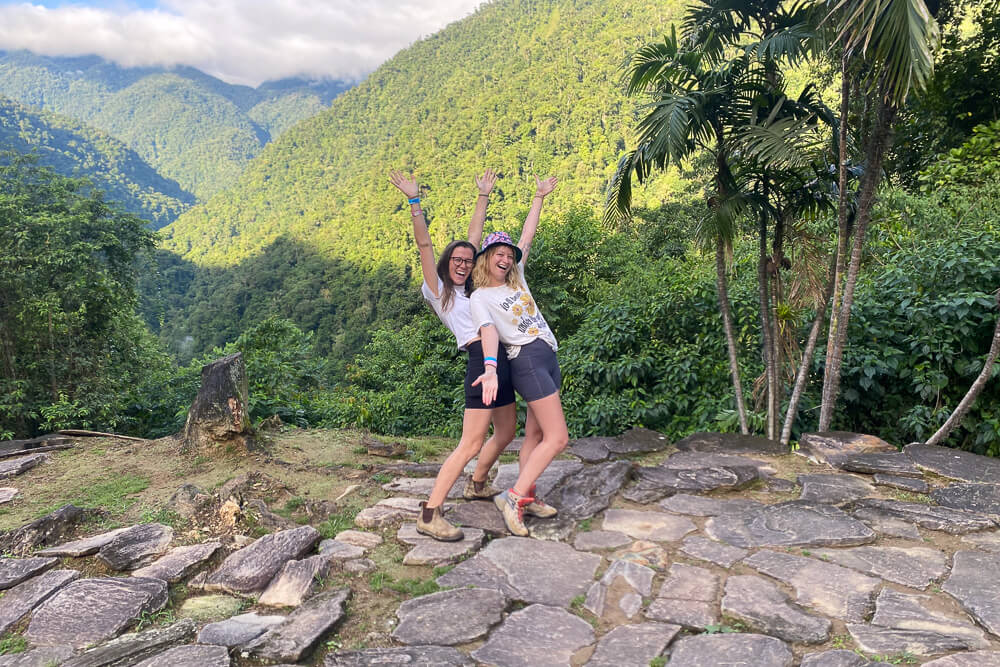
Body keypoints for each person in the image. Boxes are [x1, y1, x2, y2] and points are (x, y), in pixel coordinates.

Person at [388, 168, 516, 541]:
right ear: (446, 264)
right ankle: (430, 512)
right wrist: (415, 202)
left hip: (501, 358)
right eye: (456, 260)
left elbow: (473, 240)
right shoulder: (437, 289)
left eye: (466, 261)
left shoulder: (474, 287)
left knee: (506, 432)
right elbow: (425, 246)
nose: (462, 264)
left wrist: (483, 197)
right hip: (480, 360)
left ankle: (477, 484)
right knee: (472, 442)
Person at [470, 175, 564, 537]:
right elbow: (489, 332)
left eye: (509, 256)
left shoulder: (517, 278)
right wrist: (491, 369)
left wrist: (539, 197)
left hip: (548, 354)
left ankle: (528, 496)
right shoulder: (481, 297)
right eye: (499, 255)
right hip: (525, 359)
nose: (506, 259)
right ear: (486, 259)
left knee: (536, 437)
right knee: (558, 438)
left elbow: (527, 237)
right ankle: (513, 496)